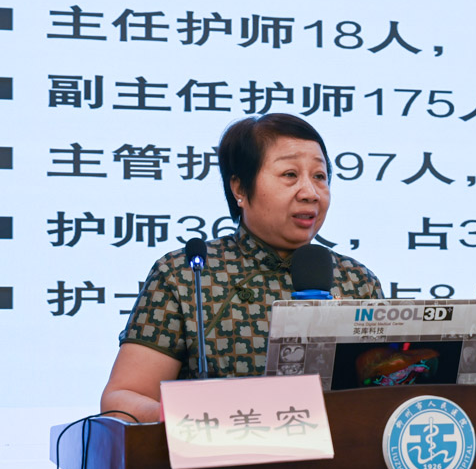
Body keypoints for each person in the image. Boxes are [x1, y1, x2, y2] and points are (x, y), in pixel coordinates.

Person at [101, 113, 383, 423]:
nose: (310, 192)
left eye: (319, 176)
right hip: (223, 448)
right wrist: (181, 418)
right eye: (290, 174)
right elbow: (122, 398)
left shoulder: (357, 281)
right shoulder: (186, 274)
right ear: (239, 188)